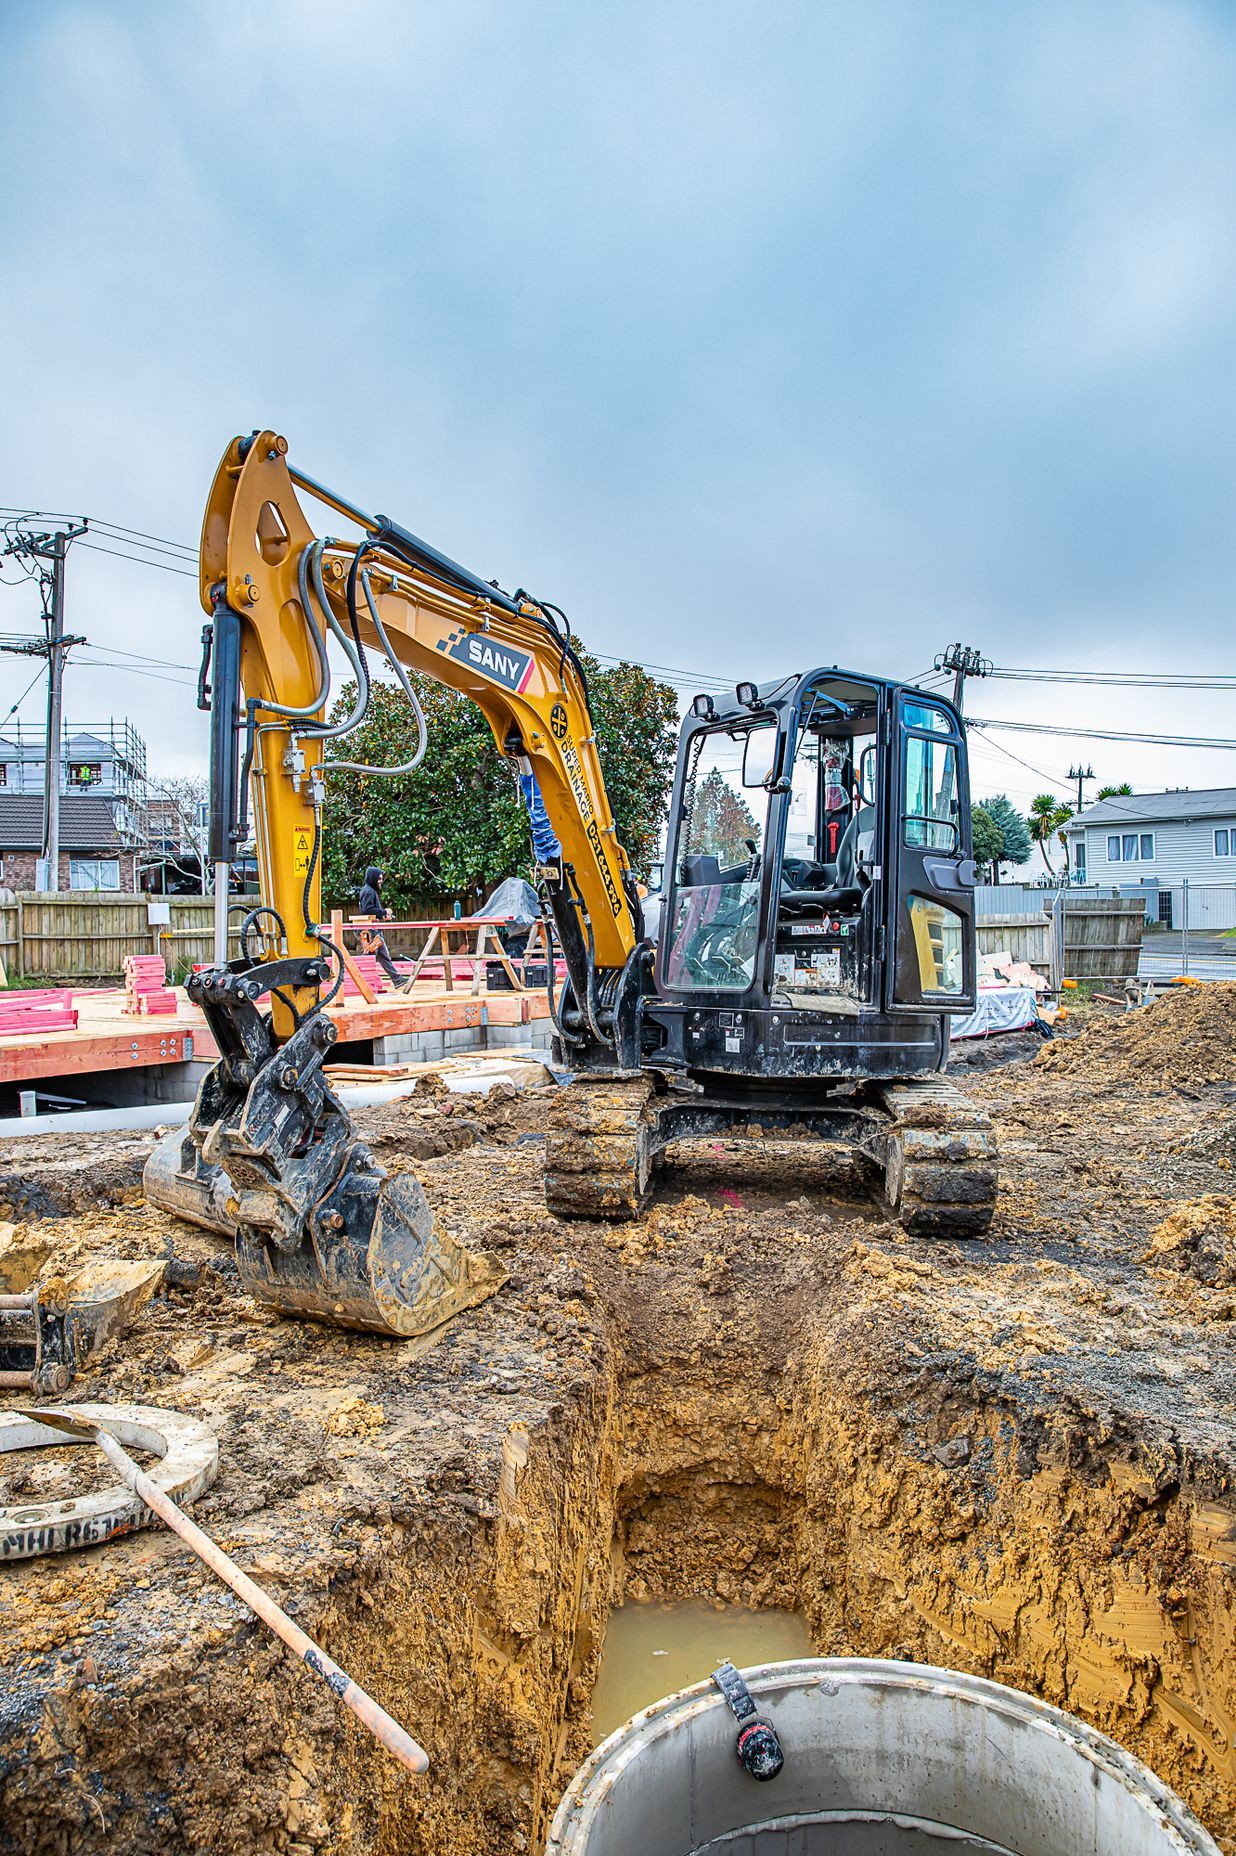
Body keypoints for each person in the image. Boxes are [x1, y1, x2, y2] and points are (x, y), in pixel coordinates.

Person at [355, 865, 403, 986]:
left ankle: (397, 980)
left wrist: (382, 916)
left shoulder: (370, 891)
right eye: (379, 878)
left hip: (374, 929)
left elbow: (371, 910)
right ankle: (363, 983)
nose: (381, 881)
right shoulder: (368, 891)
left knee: (383, 955)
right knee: (369, 956)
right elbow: (367, 909)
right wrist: (384, 912)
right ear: (372, 878)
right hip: (369, 931)